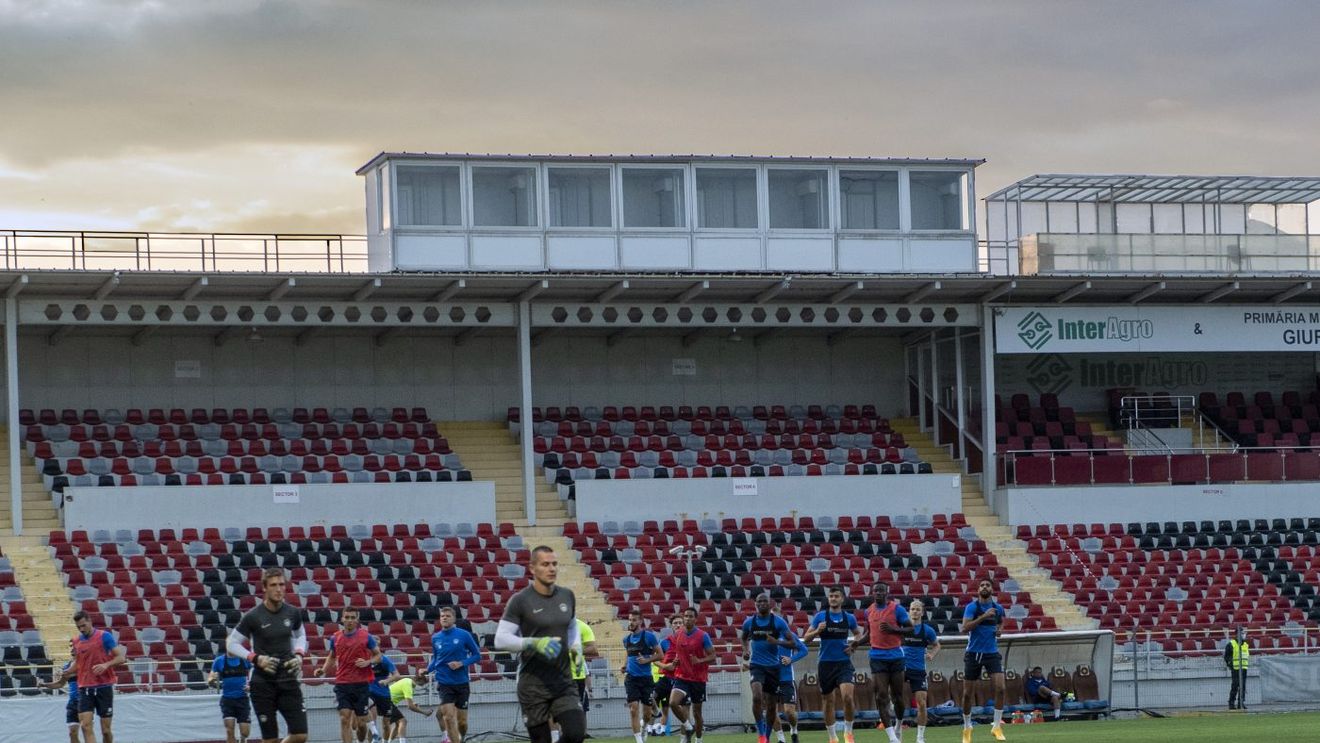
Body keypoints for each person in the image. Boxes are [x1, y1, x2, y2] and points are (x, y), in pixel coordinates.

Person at [493, 545, 585, 743]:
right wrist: (533, 643)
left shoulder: (567, 596)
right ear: (532, 568)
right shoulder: (520, 601)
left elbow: (571, 626)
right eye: (545, 564)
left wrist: (576, 646)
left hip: (563, 681)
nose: (551, 569)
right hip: (532, 684)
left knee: (575, 734)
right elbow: (500, 639)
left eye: (554, 564)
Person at [227, 567, 310, 743]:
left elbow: (300, 635)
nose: (278, 589)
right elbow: (231, 643)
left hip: (288, 679)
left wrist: (299, 655)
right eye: (273, 585)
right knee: (270, 739)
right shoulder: (253, 616)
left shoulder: (293, 612)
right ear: (264, 588)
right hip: (262, 684)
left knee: (300, 735)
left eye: (281, 584)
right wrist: (255, 658)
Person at [854, 583, 912, 743]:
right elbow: (870, 633)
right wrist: (857, 643)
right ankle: (892, 738)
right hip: (877, 657)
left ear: (887, 593)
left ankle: (899, 726)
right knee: (880, 696)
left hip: (895, 656)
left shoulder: (897, 609)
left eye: (881, 590)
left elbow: (910, 629)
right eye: (876, 591)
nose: (878, 593)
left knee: (898, 697)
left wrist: (893, 629)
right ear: (873, 593)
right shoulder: (868, 611)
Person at [317, 606, 383, 743]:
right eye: (347, 617)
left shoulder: (366, 636)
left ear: (357, 620)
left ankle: (360, 740)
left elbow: (378, 656)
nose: (349, 620)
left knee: (360, 724)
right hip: (342, 683)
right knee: (344, 718)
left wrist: (367, 662)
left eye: (353, 618)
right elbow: (332, 656)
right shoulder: (335, 638)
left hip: (361, 685)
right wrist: (323, 670)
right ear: (342, 619)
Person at [803, 586, 860, 743]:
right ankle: (832, 736)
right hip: (825, 664)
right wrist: (817, 632)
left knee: (847, 697)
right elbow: (806, 638)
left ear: (842, 599)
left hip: (843, 663)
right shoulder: (820, 617)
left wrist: (854, 646)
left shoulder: (849, 618)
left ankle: (848, 732)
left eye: (836, 596)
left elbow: (858, 634)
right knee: (828, 701)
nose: (833, 599)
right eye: (831, 596)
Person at [740, 593, 794, 743]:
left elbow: (792, 643)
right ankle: (761, 733)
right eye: (759, 601)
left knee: (771, 707)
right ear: (755, 604)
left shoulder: (779, 622)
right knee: (757, 697)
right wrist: (745, 650)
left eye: (765, 601)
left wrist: (776, 641)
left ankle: (767, 736)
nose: (762, 603)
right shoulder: (749, 622)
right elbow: (744, 638)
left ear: (770, 604)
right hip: (757, 665)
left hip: (773, 667)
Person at [959, 578, 1007, 743]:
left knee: (1000, 688)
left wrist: (999, 631)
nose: (984, 587)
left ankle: (996, 726)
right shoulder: (972, 607)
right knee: (967, 694)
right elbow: (964, 628)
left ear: (992, 589)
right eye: (982, 585)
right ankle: (967, 727)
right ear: (978, 589)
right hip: (973, 653)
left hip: (992, 653)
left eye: (987, 585)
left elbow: (1001, 622)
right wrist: (983, 617)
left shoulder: (998, 608)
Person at [428, 605, 483, 743]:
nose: (444, 618)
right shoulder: (436, 638)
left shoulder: (464, 635)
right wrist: (426, 670)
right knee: (447, 717)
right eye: (442, 616)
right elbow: (436, 658)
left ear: (454, 619)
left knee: (462, 722)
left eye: (448, 616)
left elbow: (477, 655)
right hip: (444, 683)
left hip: (461, 683)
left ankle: (461, 737)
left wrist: (462, 663)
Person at [662, 606, 716, 743]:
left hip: (698, 679)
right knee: (673, 703)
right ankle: (688, 726)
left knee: (697, 713)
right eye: (686, 616)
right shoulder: (679, 634)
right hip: (682, 676)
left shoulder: (703, 636)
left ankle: (699, 740)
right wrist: (676, 660)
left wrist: (700, 660)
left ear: (696, 619)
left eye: (691, 616)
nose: (687, 618)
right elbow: (677, 651)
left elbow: (713, 657)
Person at [72, 609, 128, 743]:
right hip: (85, 688)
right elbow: (79, 663)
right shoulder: (76, 641)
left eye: (83, 625)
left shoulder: (104, 636)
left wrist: (106, 665)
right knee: (85, 726)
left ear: (90, 621)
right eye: (78, 627)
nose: (81, 629)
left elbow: (121, 658)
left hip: (104, 687)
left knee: (106, 731)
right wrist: (66, 671)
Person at [901, 599, 941, 743]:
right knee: (897, 700)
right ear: (909, 611)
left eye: (918, 609)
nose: (915, 612)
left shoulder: (927, 630)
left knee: (922, 703)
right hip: (902, 669)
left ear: (922, 612)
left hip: (918, 670)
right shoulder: (902, 627)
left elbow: (937, 645)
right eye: (912, 609)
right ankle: (897, 730)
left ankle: (920, 737)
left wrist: (931, 654)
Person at [621, 608, 663, 743]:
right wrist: (625, 665)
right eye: (629, 620)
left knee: (646, 713)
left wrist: (646, 660)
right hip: (631, 679)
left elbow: (660, 655)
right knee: (633, 709)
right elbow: (628, 654)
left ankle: (644, 727)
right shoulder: (626, 639)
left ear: (640, 621)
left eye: (634, 620)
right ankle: (639, 741)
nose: (631, 622)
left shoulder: (649, 636)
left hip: (646, 679)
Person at [649, 614, 683, 736]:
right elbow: (653, 658)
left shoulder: (690, 640)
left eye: (680, 623)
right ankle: (648, 728)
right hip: (666, 679)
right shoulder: (664, 642)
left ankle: (685, 730)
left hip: (683, 680)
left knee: (675, 707)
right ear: (671, 626)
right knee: (651, 700)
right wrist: (665, 666)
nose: (678, 625)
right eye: (675, 623)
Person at [209, 653, 254, 743]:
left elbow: (255, 671)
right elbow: (210, 678)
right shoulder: (219, 660)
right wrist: (212, 681)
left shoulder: (244, 659)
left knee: (245, 732)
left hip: (242, 699)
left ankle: (242, 740)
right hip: (227, 700)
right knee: (229, 730)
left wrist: (251, 685)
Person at [772, 631, 808, 743]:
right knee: (771, 711)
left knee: (789, 712)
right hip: (770, 680)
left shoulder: (788, 635)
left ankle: (794, 730)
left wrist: (791, 659)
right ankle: (781, 739)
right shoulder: (764, 634)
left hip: (787, 679)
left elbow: (804, 650)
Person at [40, 651, 79, 743]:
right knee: (72, 733)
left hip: (85, 701)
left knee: (87, 730)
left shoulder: (85, 663)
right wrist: (44, 684)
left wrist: (66, 673)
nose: (72, 650)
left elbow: (79, 673)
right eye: (71, 647)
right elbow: (60, 684)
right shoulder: (67, 666)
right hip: (73, 702)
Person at [386, 670, 435, 743]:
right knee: (403, 721)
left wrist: (413, 703)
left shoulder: (408, 681)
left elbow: (408, 702)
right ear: (420, 682)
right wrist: (424, 712)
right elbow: (410, 706)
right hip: (387, 702)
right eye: (422, 685)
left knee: (398, 724)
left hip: (387, 702)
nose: (422, 688)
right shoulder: (408, 685)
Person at [366, 653, 404, 743]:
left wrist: (387, 681)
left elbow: (397, 675)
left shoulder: (385, 660)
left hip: (384, 695)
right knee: (373, 722)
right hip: (370, 693)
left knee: (386, 724)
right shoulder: (365, 660)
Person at [1224, 626, 1250, 711]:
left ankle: (1241, 703)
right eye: (1242, 633)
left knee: (1242, 686)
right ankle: (1231, 704)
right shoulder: (1231, 644)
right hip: (1235, 669)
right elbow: (1227, 656)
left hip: (1244, 668)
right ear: (1237, 634)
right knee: (1235, 686)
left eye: (1244, 633)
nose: (1244, 635)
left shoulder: (1246, 644)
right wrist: (1230, 665)